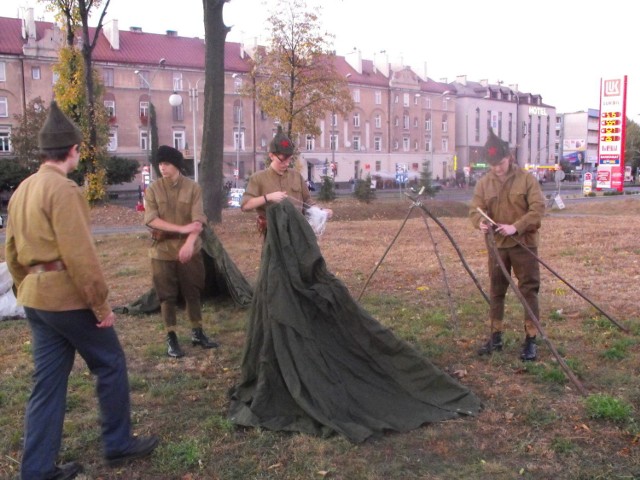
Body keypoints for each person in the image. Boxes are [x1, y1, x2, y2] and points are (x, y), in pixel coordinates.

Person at [5, 101, 158, 480]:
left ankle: (37, 469)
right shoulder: (65, 190)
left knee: (47, 383)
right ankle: (118, 443)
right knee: (110, 363)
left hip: (36, 300)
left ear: (44, 151)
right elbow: (80, 255)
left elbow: (10, 251)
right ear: (73, 150)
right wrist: (101, 305)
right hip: (67, 298)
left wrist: (28, 286)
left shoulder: (23, 189)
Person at [469, 128, 546, 361]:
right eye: (492, 164)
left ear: (509, 157)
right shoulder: (484, 183)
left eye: (500, 163)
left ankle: (531, 339)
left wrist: (516, 226)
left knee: (528, 290)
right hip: (497, 247)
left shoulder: (526, 179)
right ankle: (496, 336)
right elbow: (475, 209)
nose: (497, 168)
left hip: (523, 244)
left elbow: (538, 209)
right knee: (496, 292)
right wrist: (480, 222)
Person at [144, 145, 218, 358]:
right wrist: (180, 229)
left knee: (193, 292)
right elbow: (151, 219)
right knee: (166, 296)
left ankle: (197, 332)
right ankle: (171, 337)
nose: (162, 168)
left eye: (166, 164)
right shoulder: (153, 189)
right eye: (159, 164)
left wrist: (189, 241)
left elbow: (198, 220)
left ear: (176, 165)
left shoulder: (193, 188)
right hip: (162, 250)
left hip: (190, 249)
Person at [241, 126, 332, 230]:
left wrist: (320, 212)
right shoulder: (258, 178)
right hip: (273, 235)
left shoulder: (297, 176)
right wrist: (268, 197)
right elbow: (245, 206)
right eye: (282, 160)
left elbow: (307, 201)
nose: (287, 163)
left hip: (298, 234)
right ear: (271, 156)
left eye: (289, 159)